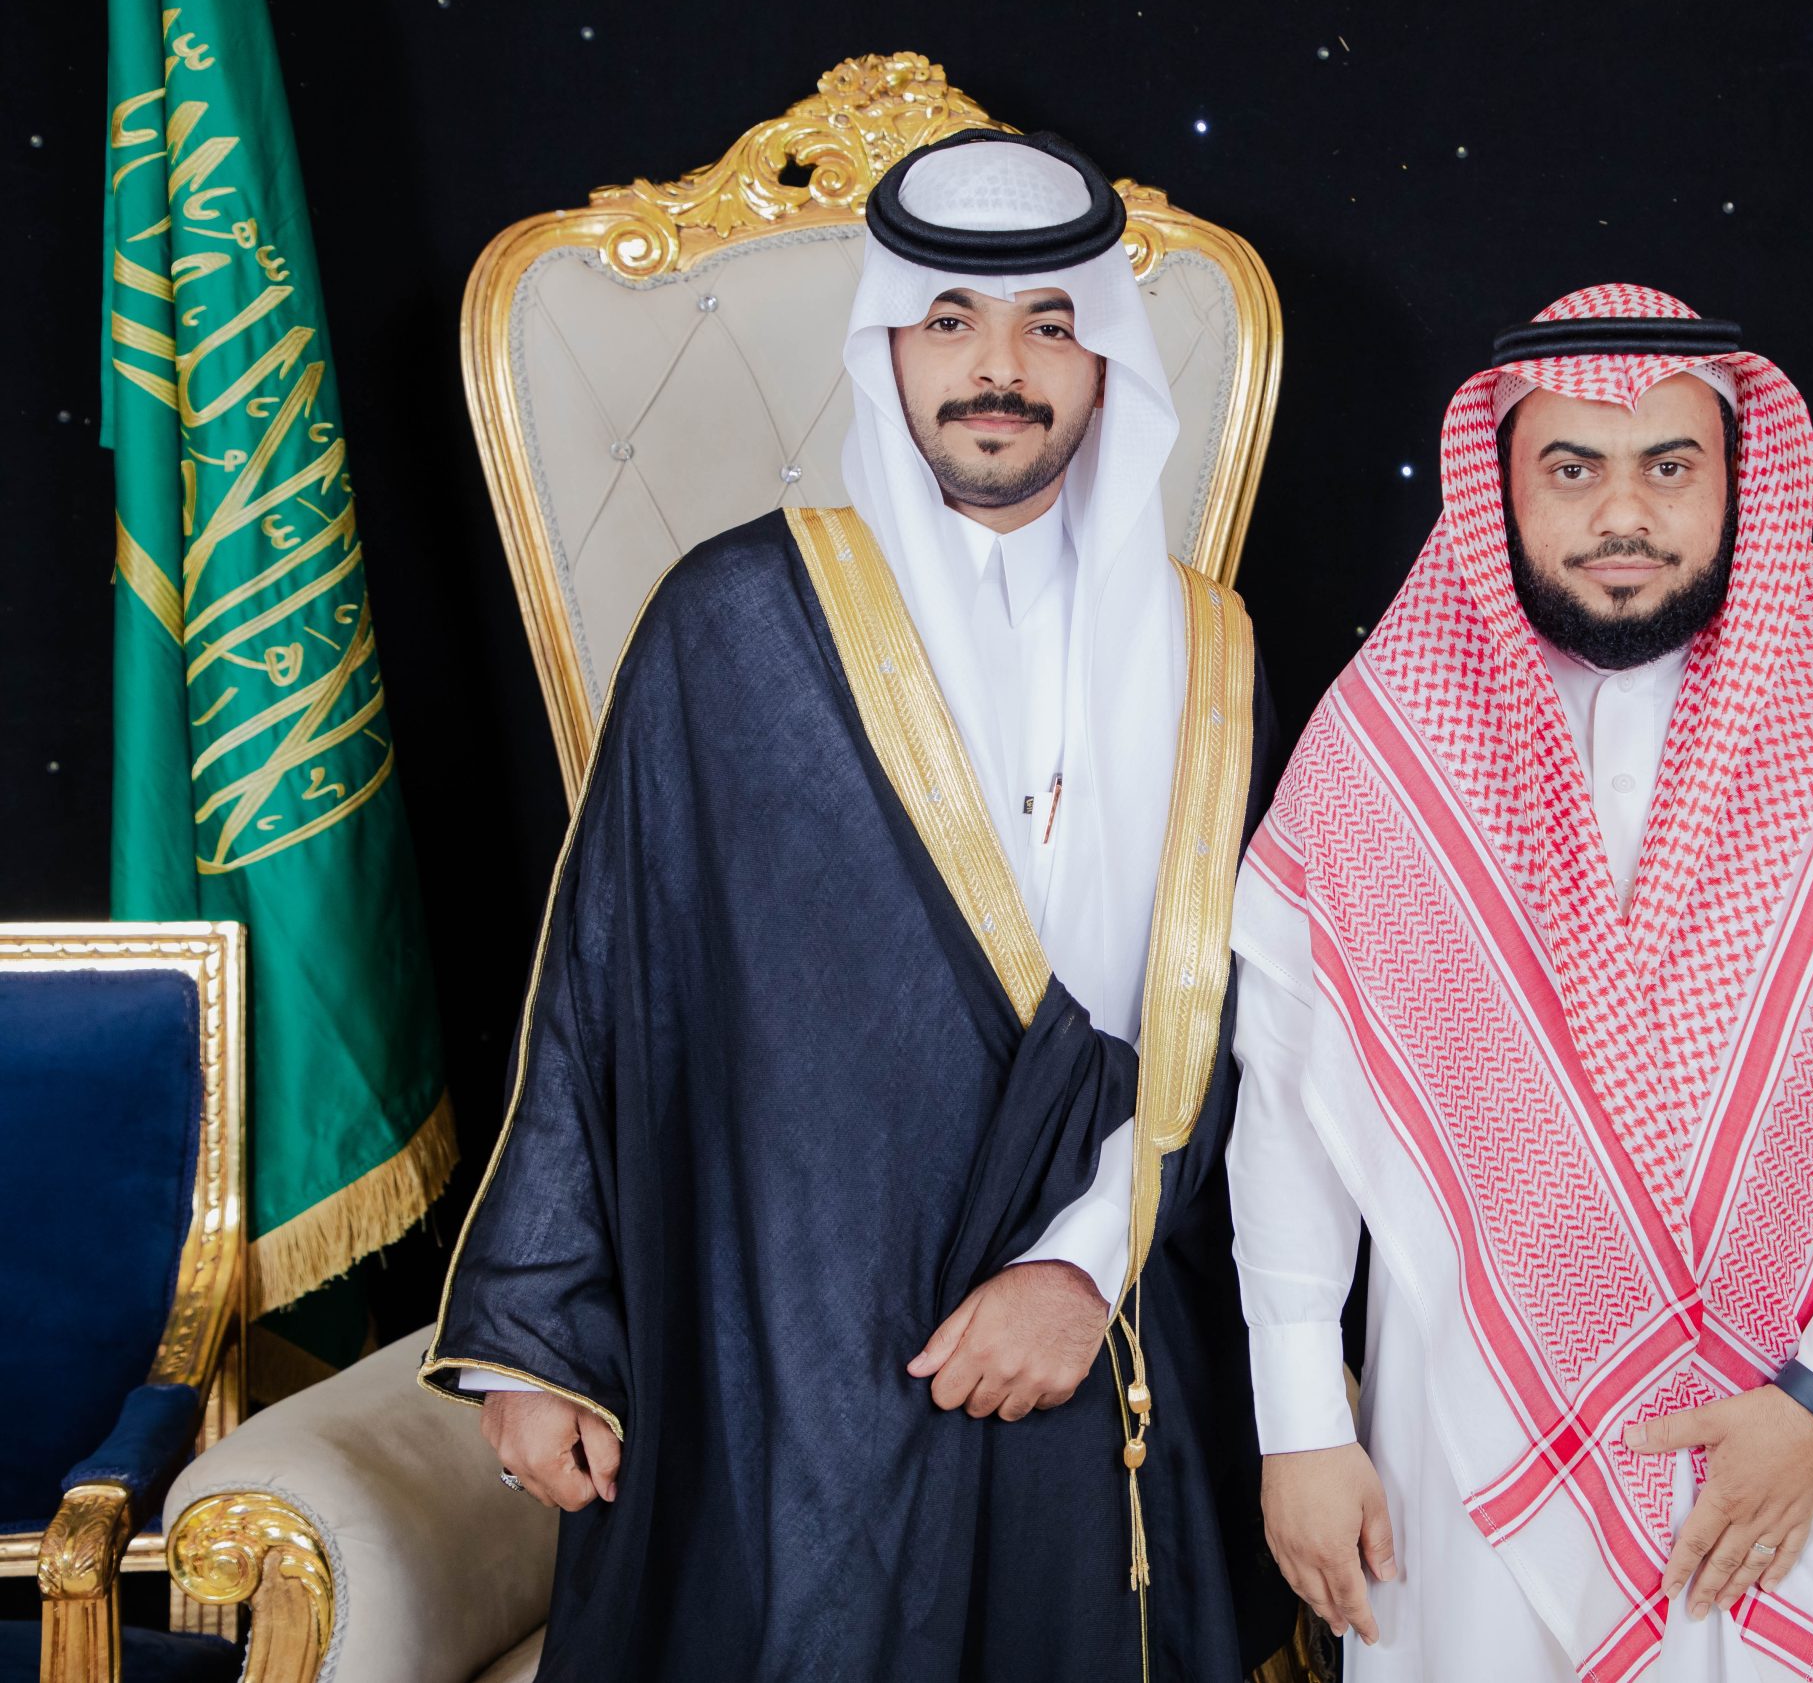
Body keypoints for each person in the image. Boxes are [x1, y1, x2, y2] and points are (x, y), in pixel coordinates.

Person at [422, 130, 1287, 1682]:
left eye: (1048, 324)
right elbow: (607, 991)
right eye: (950, 320)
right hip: (786, 1315)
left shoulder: (1206, 656)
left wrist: (1083, 1266)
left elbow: (1234, 1021)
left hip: (1082, 1314)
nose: (998, 368)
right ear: (887, 343)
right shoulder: (730, 623)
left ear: (1106, 358)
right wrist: (539, 1340)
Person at [1228, 286, 1813, 1683]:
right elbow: (1290, 1099)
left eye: (1669, 466)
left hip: (1784, 1440)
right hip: (1466, 1441)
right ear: (1502, 486)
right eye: (1572, 467)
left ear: (1737, 481)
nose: (1623, 516)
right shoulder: (1385, 747)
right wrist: (1299, 1421)